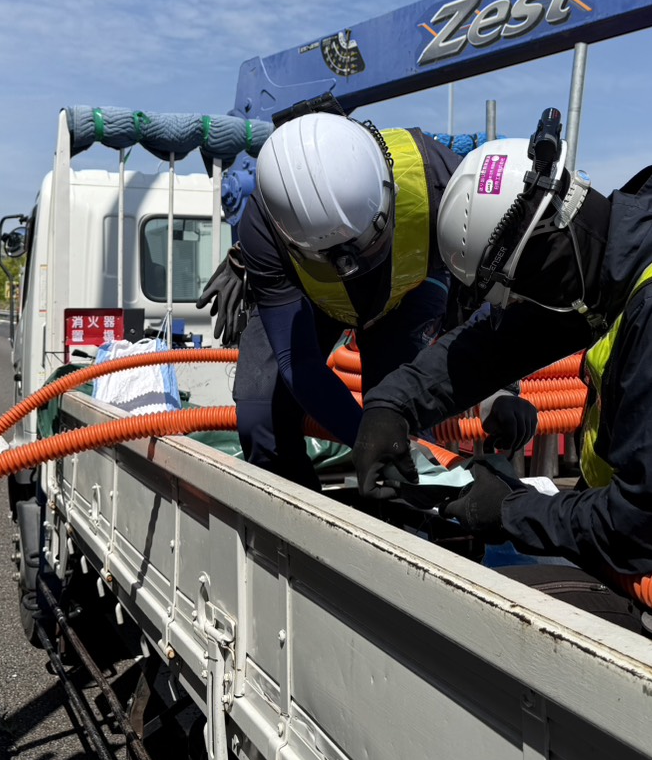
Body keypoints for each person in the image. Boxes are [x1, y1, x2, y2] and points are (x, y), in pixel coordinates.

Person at [352, 108, 652, 593]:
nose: (519, 308)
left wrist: (507, 508)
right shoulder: (620, 257)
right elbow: (495, 346)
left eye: (514, 294)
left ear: (543, 255)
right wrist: (394, 404)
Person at [199, 110, 534, 489]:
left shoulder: (442, 183)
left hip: (407, 290)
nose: (351, 270)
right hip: (308, 299)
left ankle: (406, 518)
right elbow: (298, 363)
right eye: (335, 257)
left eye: (364, 245)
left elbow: (486, 292)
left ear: (385, 192)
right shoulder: (264, 225)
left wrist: (502, 388)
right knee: (263, 417)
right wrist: (366, 437)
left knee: (405, 407)